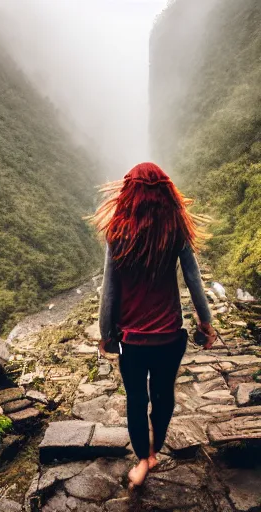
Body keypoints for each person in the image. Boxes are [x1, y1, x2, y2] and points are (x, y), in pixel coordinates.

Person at [95, 162, 217, 489]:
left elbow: (110, 289)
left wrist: (106, 334)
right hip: (169, 338)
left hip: (131, 341)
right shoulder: (175, 230)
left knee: (136, 399)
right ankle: (156, 447)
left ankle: (143, 457)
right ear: (166, 193)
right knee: (163, 396)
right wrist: (205, 323)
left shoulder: (117, 234)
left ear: (128, 194)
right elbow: (193, 280)